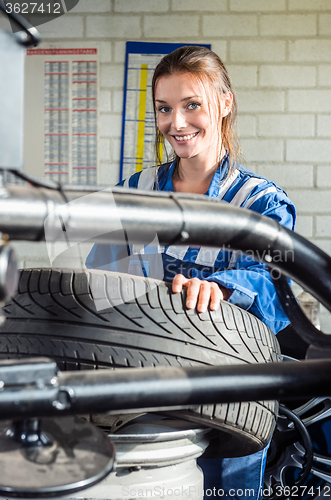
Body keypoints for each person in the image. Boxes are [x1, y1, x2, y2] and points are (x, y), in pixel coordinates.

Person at [86, 46, 296, 499]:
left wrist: (218, 289)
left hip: (231, 392)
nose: (176, 124)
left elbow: (273, 292)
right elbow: (100, 288)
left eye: (192, 105)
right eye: (164, 109)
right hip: (140, 388)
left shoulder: (260, 203)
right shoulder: (133, 193)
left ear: (224, 104)